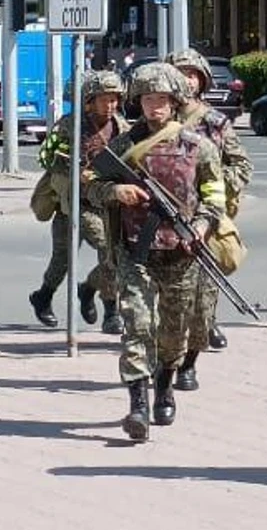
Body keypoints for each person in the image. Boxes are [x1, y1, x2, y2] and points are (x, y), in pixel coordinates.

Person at [88, 62, 226, 440]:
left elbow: (215, 198)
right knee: (138, 326)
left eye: (162, 99)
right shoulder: (123, 147)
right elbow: (92, 186)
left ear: (176, 102)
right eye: (148, 99)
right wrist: (115, 192)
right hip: (137, 254)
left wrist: (200, 225)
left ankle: (165, 385)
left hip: (182, 256)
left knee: (173, 333)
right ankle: (137, 407)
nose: (155, 107)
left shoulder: (199, 148)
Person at [166, 48, 252, 379]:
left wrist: (210, 185)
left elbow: (241, 165)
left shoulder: (214, 123)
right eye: (180, 73)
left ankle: (189, 363)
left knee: (203, 300)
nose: (187, 80)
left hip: (206, 218)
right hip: (163, 225)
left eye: (192, 74)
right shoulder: (156, 120)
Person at [30, 70, 127, 334]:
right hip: (74, 204)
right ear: (90, 100)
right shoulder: (70, 125)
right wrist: (75, 170)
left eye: (114, 99)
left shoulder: (123, 128)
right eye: (104, 100)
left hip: (107, 204)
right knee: (62, 260)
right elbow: (46, 157)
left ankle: (109, 310)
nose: (110, 105)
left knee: (110, 253)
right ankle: (43, 297)